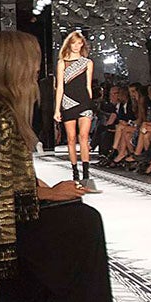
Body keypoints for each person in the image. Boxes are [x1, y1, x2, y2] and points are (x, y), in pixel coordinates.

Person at [0, 30, 116, 302]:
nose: (38, 69)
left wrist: (48, 192)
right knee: (81, 224)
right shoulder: (0, 115)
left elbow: (10, 177)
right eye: (32, 61)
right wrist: (47, 195)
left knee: (81, 218)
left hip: (7, 211)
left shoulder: (2, 110)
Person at [52, 30, 96, 186]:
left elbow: (88, 85)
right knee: (71, 139)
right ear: (69, 44)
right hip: (67, 101)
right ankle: (75, 172)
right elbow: (60, 88)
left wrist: (90, 103)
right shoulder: (62, 63)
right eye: (74, 43)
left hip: (84, 101)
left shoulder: (87, 62)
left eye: (80, 43)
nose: (77, 46)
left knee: (83, 137)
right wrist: (57, 109)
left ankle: (86, 175)